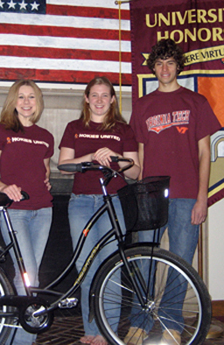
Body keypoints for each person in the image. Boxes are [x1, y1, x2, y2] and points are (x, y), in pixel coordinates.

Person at [125, 39, 222, 345]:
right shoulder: (142, 105)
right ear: (152, 67)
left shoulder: (196, 102)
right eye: (159, 63)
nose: (164, 68)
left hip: (186, 195)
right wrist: (139, 193)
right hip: (150, 196)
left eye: (169, 62)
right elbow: (138, 155)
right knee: (145, 261)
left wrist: (202, 198)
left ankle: (171, 323)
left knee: (180, 261)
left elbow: (206, 153)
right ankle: (139, 322)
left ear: (178, 66)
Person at [58, 76, 141, 345]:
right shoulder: (74, 127)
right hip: (81, 203)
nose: (99, 100)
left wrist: (116, 159)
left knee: (111, 268)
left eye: (105, 95)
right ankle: (91, 330)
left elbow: (138, 171)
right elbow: (63, 165)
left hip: (114, 202)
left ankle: (107, 333)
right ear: (86, 98)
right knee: (86, 268)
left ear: (113, 99)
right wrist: (91, 155)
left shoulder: (123, 129)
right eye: (94, 95)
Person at [0, 79, 54, 345]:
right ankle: (22, 340)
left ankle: (17, 335)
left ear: (38, 102)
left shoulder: (46, 137)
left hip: (44, 211)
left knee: (30, 276)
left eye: (32, 97)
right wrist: (4, 186)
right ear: (13, 101)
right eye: (21, 97)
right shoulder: (0, 132)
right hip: (15, 211)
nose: (26, 102)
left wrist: (45, 180)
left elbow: (44, 172)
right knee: (29, 274)